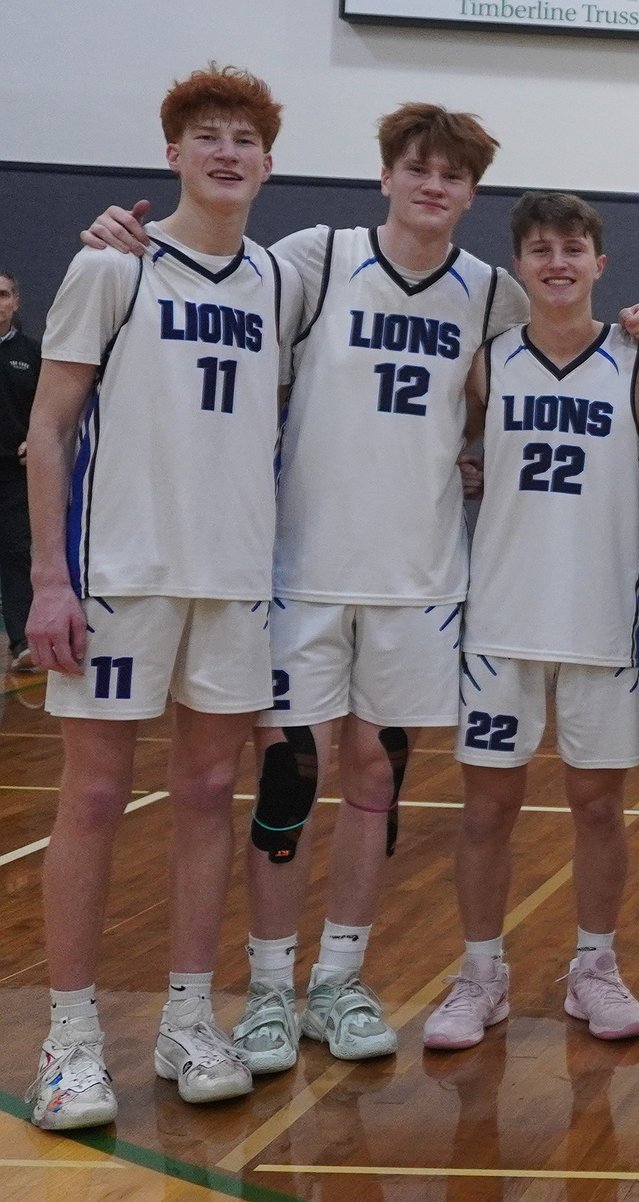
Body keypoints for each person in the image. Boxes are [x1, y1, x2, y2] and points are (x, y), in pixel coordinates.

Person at [78, 103, 639, 1073]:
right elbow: (211, 281)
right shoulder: (315, 258)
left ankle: (339, 980)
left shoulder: (491, 294)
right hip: (299, 572)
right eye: (417, 169)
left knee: (375, 780)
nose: (433, 186)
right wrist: (124, 240)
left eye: (452, 176)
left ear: (470, 195)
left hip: (419, 582)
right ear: (386, 175)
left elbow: (552, 365)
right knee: (288, 781)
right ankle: (270, 986)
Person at [23, 65, 297, 1130]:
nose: (227, 152)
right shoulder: (113, 265)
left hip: (231, 581)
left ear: (268, 162)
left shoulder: (278, 280)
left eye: (245, 138)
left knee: (207, 795)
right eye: (208, 136)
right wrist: (51, 578)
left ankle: (189, 1017)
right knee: (94, 797)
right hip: (122, 574)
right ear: (173, 154)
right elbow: (49, 428)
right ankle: (70, 1040)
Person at [418, 192, 639, 1051]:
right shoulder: (487, 361)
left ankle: (595, 967)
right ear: (518, 266)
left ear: (600, 263)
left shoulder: (638, 359)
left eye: (572, 249)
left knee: (597, 805)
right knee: (486, 808)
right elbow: (444, 449)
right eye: (540, 250)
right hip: (503, 612)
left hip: (603, 613)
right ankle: (480, 974)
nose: (557, 263)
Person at [0, 267, 37, 671]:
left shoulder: (32, 355)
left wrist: (34, 440)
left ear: (15, 302)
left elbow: (50, 411)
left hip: (14, 472)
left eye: (3, 295)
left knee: (14, 553)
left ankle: (22, 643)